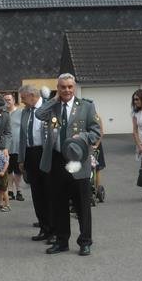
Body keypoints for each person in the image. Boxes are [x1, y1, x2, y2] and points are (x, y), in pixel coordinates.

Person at [35, 74, 101, 256]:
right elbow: (38, 114)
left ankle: (85, 242)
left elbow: (96, 131)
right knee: (59, 203)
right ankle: (62, 241)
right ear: (58, 88)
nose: (67, 90)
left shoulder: (86, 106)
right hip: (57, 160)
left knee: (82, 205)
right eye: (63, 87)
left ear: (75, 88)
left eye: (70, 87)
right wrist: (54, 99)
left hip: (77, 160)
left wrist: (83, 137)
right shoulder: (53, 107)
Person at [17, 84, 52, 242]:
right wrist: (21, 158)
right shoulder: (25, 111)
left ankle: (54, 230)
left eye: (23, 98)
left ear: (32, 96)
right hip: (30, 155)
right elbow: (22, 137)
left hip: (45, 154)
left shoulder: (48, 108)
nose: (22, 101)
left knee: (49, 194)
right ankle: (44, 228)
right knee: (37, 194)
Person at [4, 93, 24, 201]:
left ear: (13, 100)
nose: (7, 102)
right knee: (8, 170)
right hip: (6, 147)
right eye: (5, 100)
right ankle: (10, 191)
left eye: (9, 99)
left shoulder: (20, 113)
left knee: (18, 171)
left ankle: (19, 191)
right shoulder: (3, 113)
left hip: (17, 146)